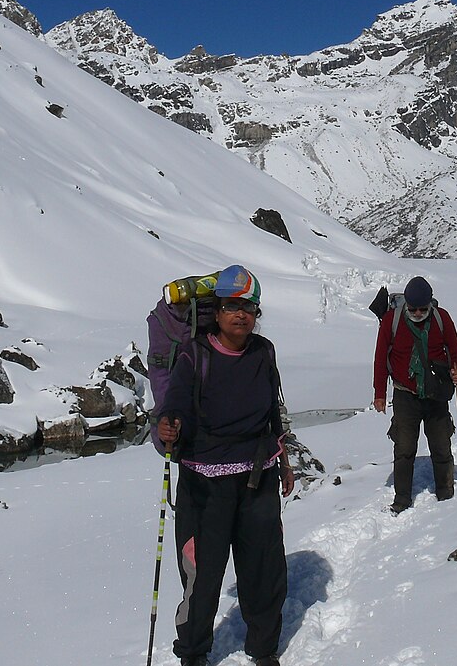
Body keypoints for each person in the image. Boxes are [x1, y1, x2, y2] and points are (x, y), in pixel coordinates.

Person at [155, 264, 295, 666]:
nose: (241, 315)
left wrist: (283, 461)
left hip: (259, 477)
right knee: (201, 575)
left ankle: (264, 649)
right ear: (216, 312)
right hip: (205, 485)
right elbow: (176, 401)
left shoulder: (263, 352)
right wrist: (170, 424)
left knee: (264, 569)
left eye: (249, 307)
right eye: (233, 306)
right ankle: (193, 652)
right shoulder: (194, 354)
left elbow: (273, 410)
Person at [372, 275, 457, 513]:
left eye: (422, 309)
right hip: (405, 395)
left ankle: (446, 494)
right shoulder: (391, 321)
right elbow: (381, 359)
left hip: (435, 393)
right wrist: (379, 393)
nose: (417, 313)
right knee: (404, 449)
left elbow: (455, 350)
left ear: (430, 304)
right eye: (412, 309)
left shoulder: (441, 318)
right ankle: (402, 499)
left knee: (441, 444)